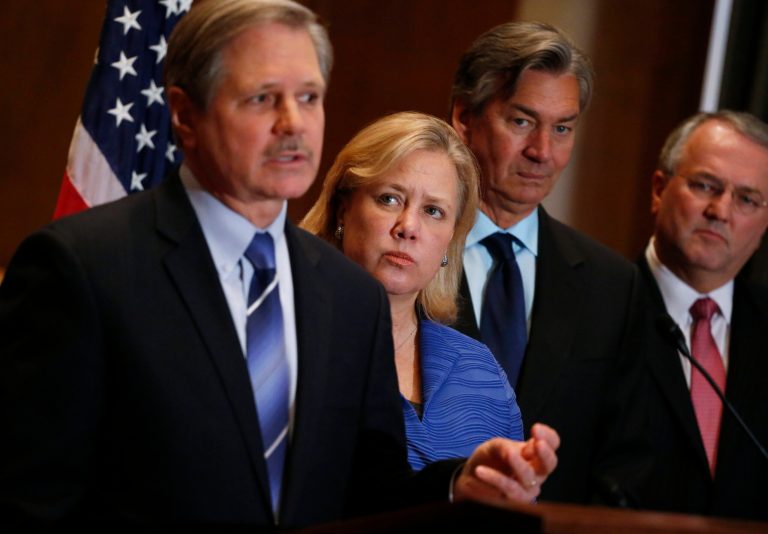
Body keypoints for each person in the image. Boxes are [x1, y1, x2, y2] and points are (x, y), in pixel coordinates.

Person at [0, 0, 557, 527]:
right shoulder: (83, 267)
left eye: (309, 97)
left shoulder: (349, 296)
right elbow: (31, 500)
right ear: (185, 114)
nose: (293, 123)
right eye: (263, 98)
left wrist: (458, 485)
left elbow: (368, 492)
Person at [448, 21, 648, 504]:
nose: (542, 151)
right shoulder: (408, 252)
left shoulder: (611, 284)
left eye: (562, 128)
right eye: (521, 121)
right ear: (464, 118)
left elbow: (619, 461)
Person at [301, 111, 553, 470]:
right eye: (390, 199)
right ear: (343, 209)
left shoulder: (481, 373)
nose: (408, 227)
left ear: (451, 238)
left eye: (433, 211)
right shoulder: (293, 334)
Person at [637, 110, 768, 520]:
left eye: (747, 199)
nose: (721, 211)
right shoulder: (600, 305)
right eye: (705, 185)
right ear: (659, 190)